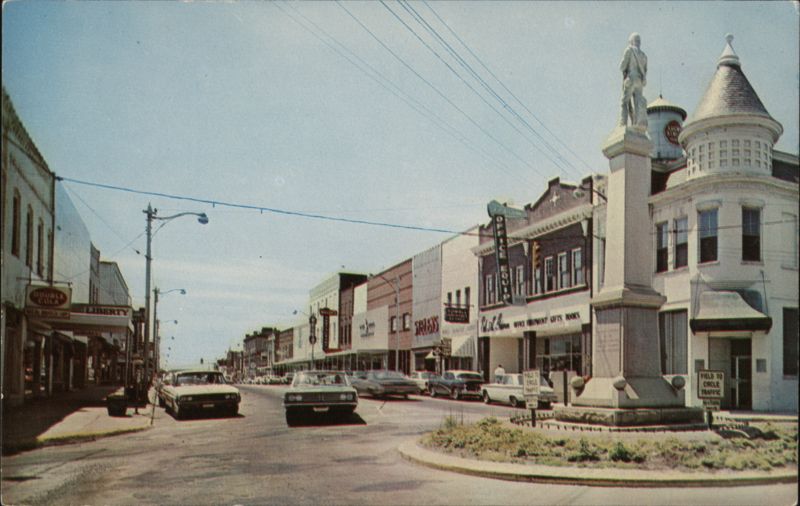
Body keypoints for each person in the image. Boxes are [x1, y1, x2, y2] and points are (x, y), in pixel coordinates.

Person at [618, 32, 648, 128]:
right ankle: (638, 123)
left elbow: (622, 67)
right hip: (639, 81)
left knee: (624, 102)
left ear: (631, 41)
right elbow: (645, 71)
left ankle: (623, 124)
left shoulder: (629, 50)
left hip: (631, 78)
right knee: (638, 101)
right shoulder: (644, 56)